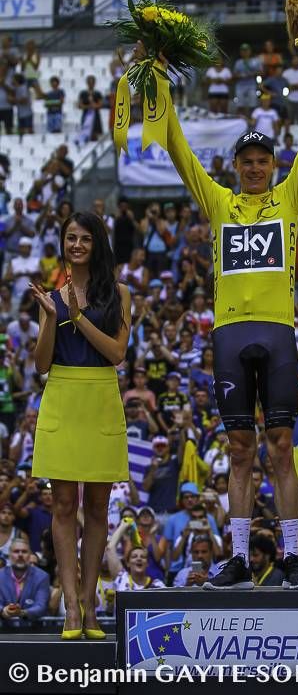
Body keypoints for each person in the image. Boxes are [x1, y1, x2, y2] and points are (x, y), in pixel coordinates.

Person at [146, 44, 298, 589]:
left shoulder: (289, 197)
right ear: (235, 167)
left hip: (278, 334)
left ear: (273, 167)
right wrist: (157, 80)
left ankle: (292, 556)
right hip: (230, 334)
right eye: (247, 162)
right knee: (238, 448)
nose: (255, 169)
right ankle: (236, 557)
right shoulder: (217, 203)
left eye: (263, 162)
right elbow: (179, 147)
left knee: (281, 447)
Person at [30, 211, 131, 640]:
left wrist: (78, 315)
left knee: (96, 507)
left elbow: (117, 353)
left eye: (84, 239)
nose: (76, 245)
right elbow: (39, 364)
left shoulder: (121, 293)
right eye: (70, 238)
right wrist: (54, 318)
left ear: (97, 244)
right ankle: (71, 606)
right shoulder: (53, 298)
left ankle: (91, 604)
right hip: (62, 399)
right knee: (64, 505)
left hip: (101, 398)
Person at [0, 537, 50, 627]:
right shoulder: (0, 575)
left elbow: (41, 606)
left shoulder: (42, 577)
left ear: (30, 555)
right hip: (3, 631)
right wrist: (3, 611)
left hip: (32, 632)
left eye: (24, 551)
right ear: (9, 555)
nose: (20, 555)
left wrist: (22, 612)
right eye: (16, 551)